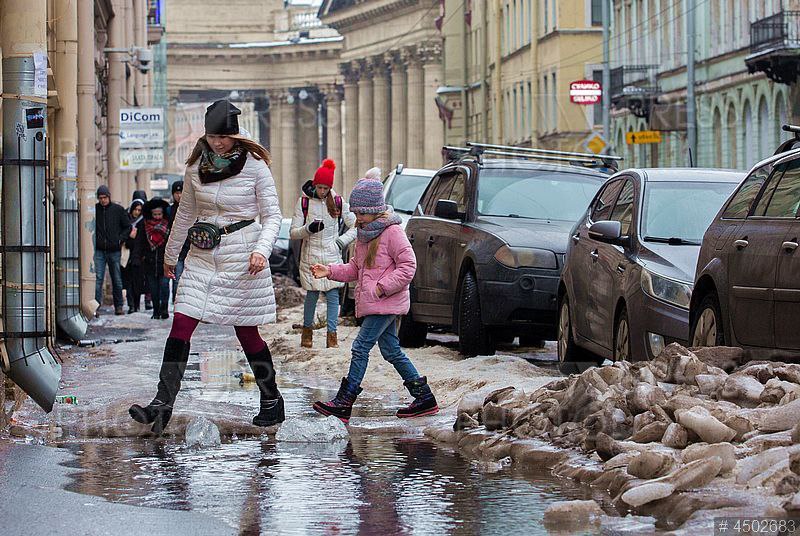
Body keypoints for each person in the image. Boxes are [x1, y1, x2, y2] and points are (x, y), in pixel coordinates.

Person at [129, 99, 284, 434]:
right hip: (202, 253)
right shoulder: (196, 165)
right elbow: (185, 215)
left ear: (235, 134)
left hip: (243, 257)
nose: (217, 142)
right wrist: (171, 256)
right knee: (182, 321)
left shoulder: (255, 165)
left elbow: (272, 216)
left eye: (224, 137)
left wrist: (261, 249)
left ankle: (271, 400)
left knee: (246, 331)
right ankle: (162, 403)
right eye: (213, 136)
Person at [310, 172, 439, 423]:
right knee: (391, 350)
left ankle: (345, 401)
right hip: (377, 304)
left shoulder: (392, 232)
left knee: (360, 347)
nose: (357, 219)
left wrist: (382, 288)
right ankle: (424, 398)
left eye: (360, 213)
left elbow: (408, 265)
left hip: (386, 302)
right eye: (355, 213)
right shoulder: (364, 234)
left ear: (374, 209)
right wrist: (331, 271)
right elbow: (355, 269)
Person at [290, 159, 356, 349]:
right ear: (314, 184)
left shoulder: (337, 201)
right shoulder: (303, 202)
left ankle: (332, 337)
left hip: (332, 255)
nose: (322, 191)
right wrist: (308, 229)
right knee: (312, 295)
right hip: (310, 255)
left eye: (325, 188)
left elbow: (355, 225)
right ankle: (307, 334)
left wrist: (341, 241)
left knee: (333, 295)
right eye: (319, 187)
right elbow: (293, 233)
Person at [94, 185, 131, 316]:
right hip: (99, 249)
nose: (103, 200)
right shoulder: (95, 210)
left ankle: (119, 306)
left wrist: (119, 240)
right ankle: (95, 307)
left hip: (114, 249)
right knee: (98, 278)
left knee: (116, 278)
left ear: (109, 197)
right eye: (100, 198)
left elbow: (128, 227)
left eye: (105, 197)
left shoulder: (118, 210)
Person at [133, 198, 171, 320]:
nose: (157, 217)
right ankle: (156, 310)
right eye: (155, 214)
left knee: (164, 286)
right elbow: (139, 243)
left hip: (164, 262)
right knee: (153, 289)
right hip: (149, 262)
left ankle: (164, 308)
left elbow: (172, 243)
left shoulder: (168, 225)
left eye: (159, 214)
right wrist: (137, 258)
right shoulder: (144, 226)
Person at [167, 181, 191, 304]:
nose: (179, 195)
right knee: (177, 280)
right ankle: (177, 304)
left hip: (191, 250)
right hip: (177, 251)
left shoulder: (192, 209)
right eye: (176, 193)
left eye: (181, 192)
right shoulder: (169, 210)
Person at [123, 199, 145, 313]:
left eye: (139, 210)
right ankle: (131, 305)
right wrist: (130, 236)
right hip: (126, 255)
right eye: (135, 209)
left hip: (138, 256)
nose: (137, 212)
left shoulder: (142, 222)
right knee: (128, 282)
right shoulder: (126, 220)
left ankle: (136, 304)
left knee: (137, 282)